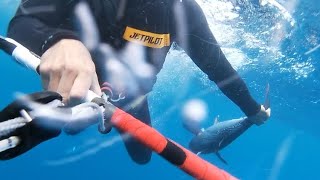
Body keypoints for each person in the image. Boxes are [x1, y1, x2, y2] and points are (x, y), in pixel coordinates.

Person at [3, 0, 270, 164]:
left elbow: (219, 69)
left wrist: (252, 110)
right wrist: (59, 40)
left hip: (131, 102)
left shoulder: (183, 11)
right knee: (70, 124)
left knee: (143, 157)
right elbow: (24, 23)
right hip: (81, 89)